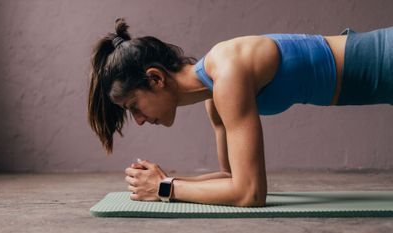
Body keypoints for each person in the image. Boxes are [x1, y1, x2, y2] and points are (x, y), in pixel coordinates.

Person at [88, 18, 393, 207]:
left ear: (156, 78)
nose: (139, 120)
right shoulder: (215, 95)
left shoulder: (227, 70)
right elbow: (231, 177)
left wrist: (166, 189)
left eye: (134, 107)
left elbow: (250, 193)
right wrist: (166, 181)